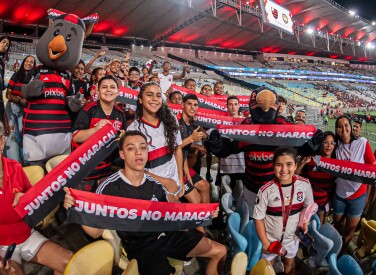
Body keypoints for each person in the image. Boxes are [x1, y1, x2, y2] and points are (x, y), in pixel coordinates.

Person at [63, 130, 226, 275]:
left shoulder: (155, 184)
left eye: (142, 148)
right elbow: (96, 232)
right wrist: (78, 208)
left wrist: (202, 214)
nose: (138, 153)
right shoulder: (109, 188)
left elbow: (172, 214)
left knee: (220, 251)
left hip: (166, 236)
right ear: (122, 154)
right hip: (143, 247)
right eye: (131, 148)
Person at [0, 121, 72, 275]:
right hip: (2, 247)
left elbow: (35, 201)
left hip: (26, 235)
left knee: (71, 264)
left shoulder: (15, 167)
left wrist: (27, 198)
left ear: (2, 142)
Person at [127, 82, 200, 203]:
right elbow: (134, 168)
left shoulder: (170, 120)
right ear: (140, 99)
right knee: (171, 212)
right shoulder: (134, 130)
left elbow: (177, 149)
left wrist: (180, 178)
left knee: (196, 199)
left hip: (174, 178)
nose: (154, 99)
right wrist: (163, 181)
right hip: (152, 183)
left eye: (158, 95)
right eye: (149, 95)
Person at [254, 147, 314, 275]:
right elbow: (258, 218)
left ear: (296, 165)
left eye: (289, 164)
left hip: (291, 239)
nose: (284, 169)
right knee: (266, 268)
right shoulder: (265, 190)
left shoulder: (304, 184)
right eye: (279, 165)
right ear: (273, 166)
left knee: (289, 263)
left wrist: (305, 223)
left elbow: (307, 208)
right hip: (270, 240)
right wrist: (265, 242)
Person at [72, 75, 126, 191]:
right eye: (104, 87)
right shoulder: (89, 109)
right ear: (98, 90)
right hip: (85, 171)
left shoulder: (120, 114)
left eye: (112, 87)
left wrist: (123, 138)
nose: (108, 90)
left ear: (118, 92)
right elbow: (75, 137)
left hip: (107, 171)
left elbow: (121, 141)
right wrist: (95, 130)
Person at [333, 115, 376, 254]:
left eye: (346, 125)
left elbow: (372, 166)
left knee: (350, 230)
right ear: (336, 130)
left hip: (358, 196)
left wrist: (368, 197)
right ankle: (336, 247)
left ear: (351, 127)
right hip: (339, 194)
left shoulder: (362, 142)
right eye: (339, 126)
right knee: (338, 225)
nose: (343, 129)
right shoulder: (335, 145)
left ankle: (341, 253)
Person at [296, 131, 337, 224]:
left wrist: (330, 202)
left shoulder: (336, 164)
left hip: (323, 204)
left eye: (332, 143)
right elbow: (296, 174)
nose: (329, 146)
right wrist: (303, 163)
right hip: (307, 202)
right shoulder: (314, 158)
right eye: (326, 142)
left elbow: (335, 186)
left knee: (319, 225)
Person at [178, 94, 210, 203]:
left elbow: (184, 153)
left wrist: (187, 173)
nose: (192, 107)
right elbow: (172, 148)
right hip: (172, 169)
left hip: (183, 166)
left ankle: (207, 218)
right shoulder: (176, 123)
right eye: (189, 104)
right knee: (195, 199)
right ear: (183, 105)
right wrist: (191, 139)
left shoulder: (190, 125)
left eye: (195, 105)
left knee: (205, 186)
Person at [5, 55, 35, 162]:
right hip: (11, 107)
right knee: (12, 134)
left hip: (25, 110)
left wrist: (22, 101)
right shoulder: (16, 75)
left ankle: (26, 161)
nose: (29, 63)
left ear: (34, 65)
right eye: (27, 61)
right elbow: (8, 94)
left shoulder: (34, 79)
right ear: (23, 63)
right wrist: (18, 100)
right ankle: (14, 162)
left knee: (24, 135)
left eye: (31, 62)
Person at [219, 96, 245, 187]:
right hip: (226, 166)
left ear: (239, 106)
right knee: (226, 197)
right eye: (230, 104)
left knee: (240, 194)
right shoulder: (221, 122)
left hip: (242, 166)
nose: (233, 107)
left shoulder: (246, 122)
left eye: (235, 104)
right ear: (227, 106)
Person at [0, 36, 10, 131]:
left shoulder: (2, 63)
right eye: (3, 42)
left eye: (7, 45)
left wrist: (7, 84)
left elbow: (2, 82)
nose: (5, 45)